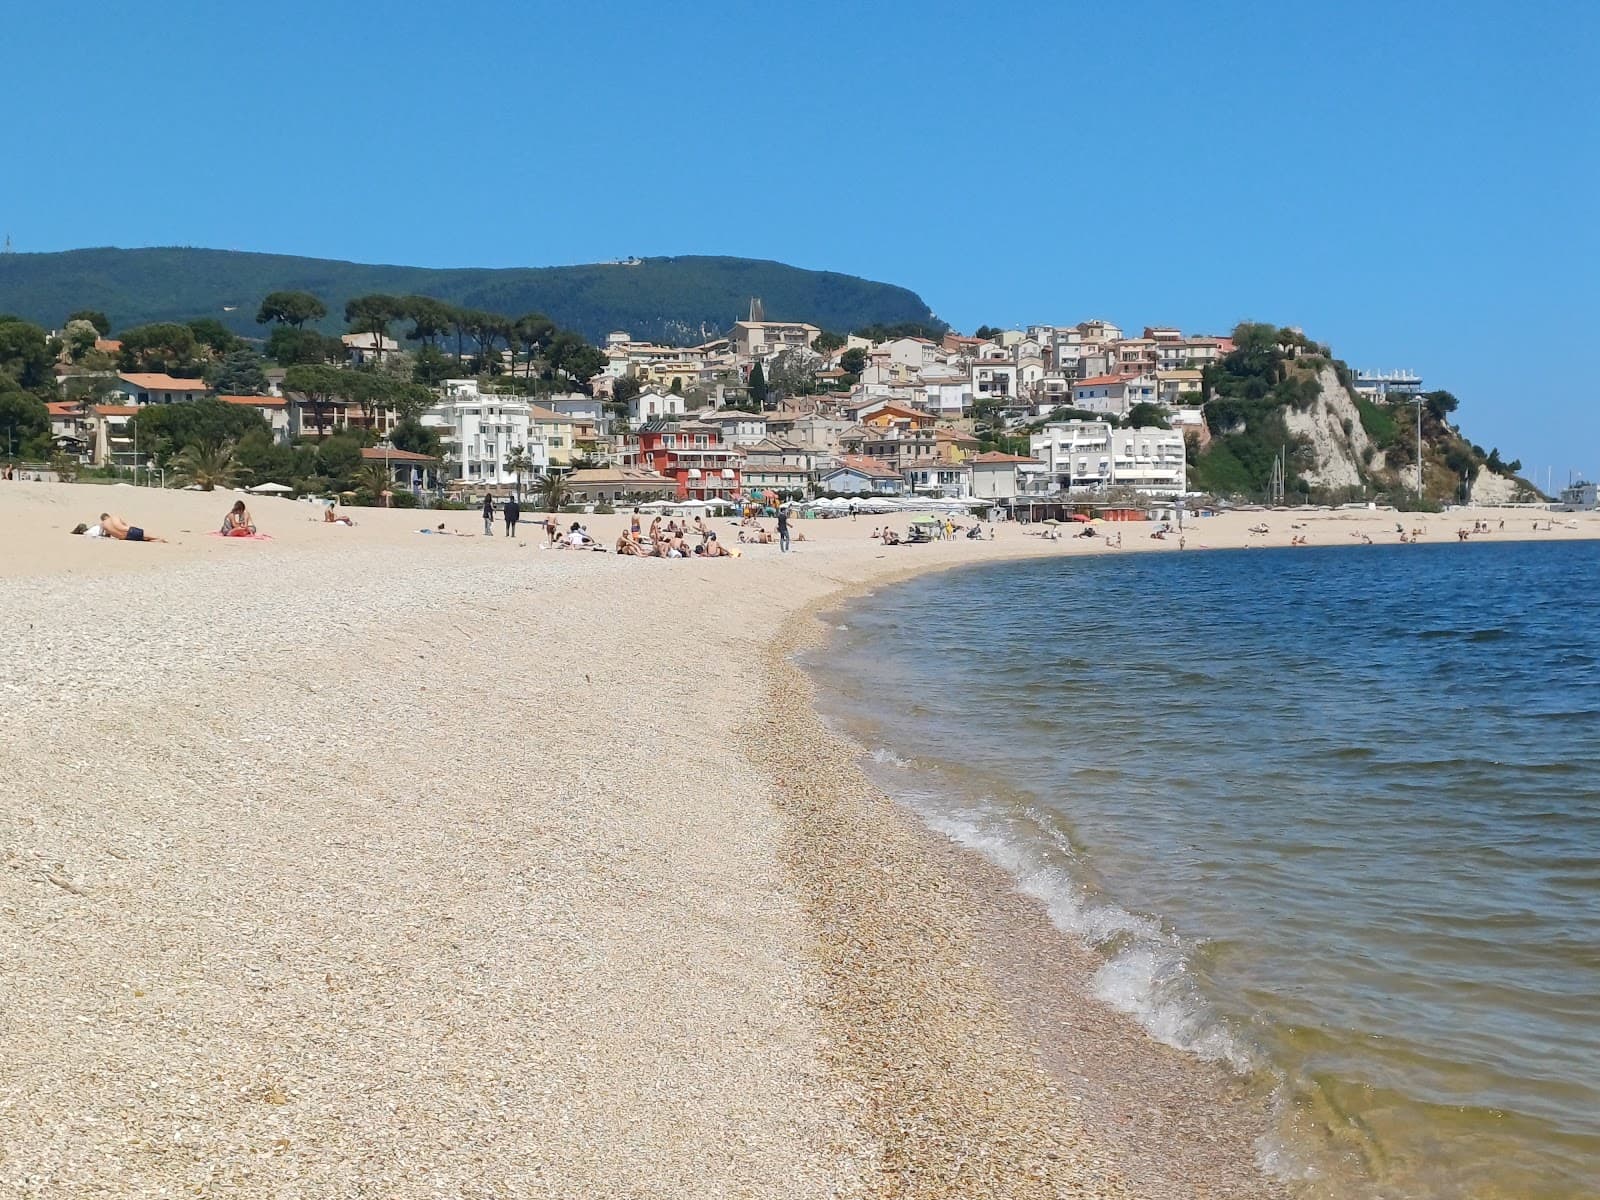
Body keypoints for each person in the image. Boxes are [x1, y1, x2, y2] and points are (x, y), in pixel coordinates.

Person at [98, 513, 165, 543]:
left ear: (103, 519)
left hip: (125, 538)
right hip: (130, 531)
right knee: (150, 536)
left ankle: (159, 540)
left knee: (147, 540)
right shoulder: (114, 517)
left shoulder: (103, 525)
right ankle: (161, 539)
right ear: (108, 515)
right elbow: (124, 525)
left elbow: (106, 535)